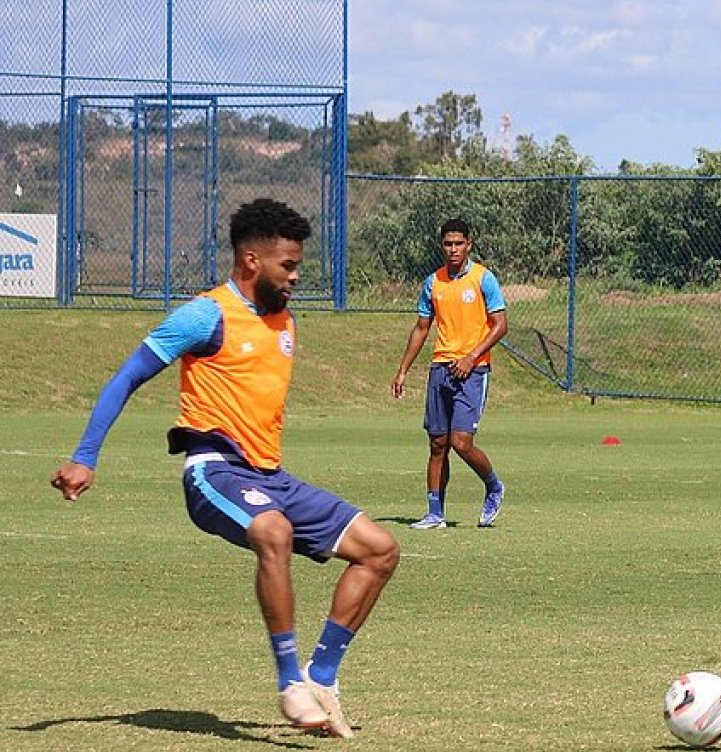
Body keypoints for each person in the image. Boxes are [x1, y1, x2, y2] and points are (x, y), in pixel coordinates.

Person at [50, 198, 399, 737]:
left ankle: (321, 674)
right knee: (273, 532)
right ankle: (289, 682)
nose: (296, 275)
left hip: (272, 476)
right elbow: (126, 377)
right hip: (214, 472)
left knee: (379, 551)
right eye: (288, 265)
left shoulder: (285, 319)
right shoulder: (204, 314)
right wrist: (84, 457)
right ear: (251, 261)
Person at [391, 219, 508, 529]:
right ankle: (435, 513)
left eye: (459, 243)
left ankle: (494, 486)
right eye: (448, 244)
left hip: (473, 371)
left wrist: (471, 357)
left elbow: (500, 325)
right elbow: (421, 328)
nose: (453, 249)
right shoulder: (434, 282)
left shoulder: (484, 279)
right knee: (437, 444)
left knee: (461, 443)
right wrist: (403, 370)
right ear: (441, 246)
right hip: (440, 369)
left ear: (469, 244)